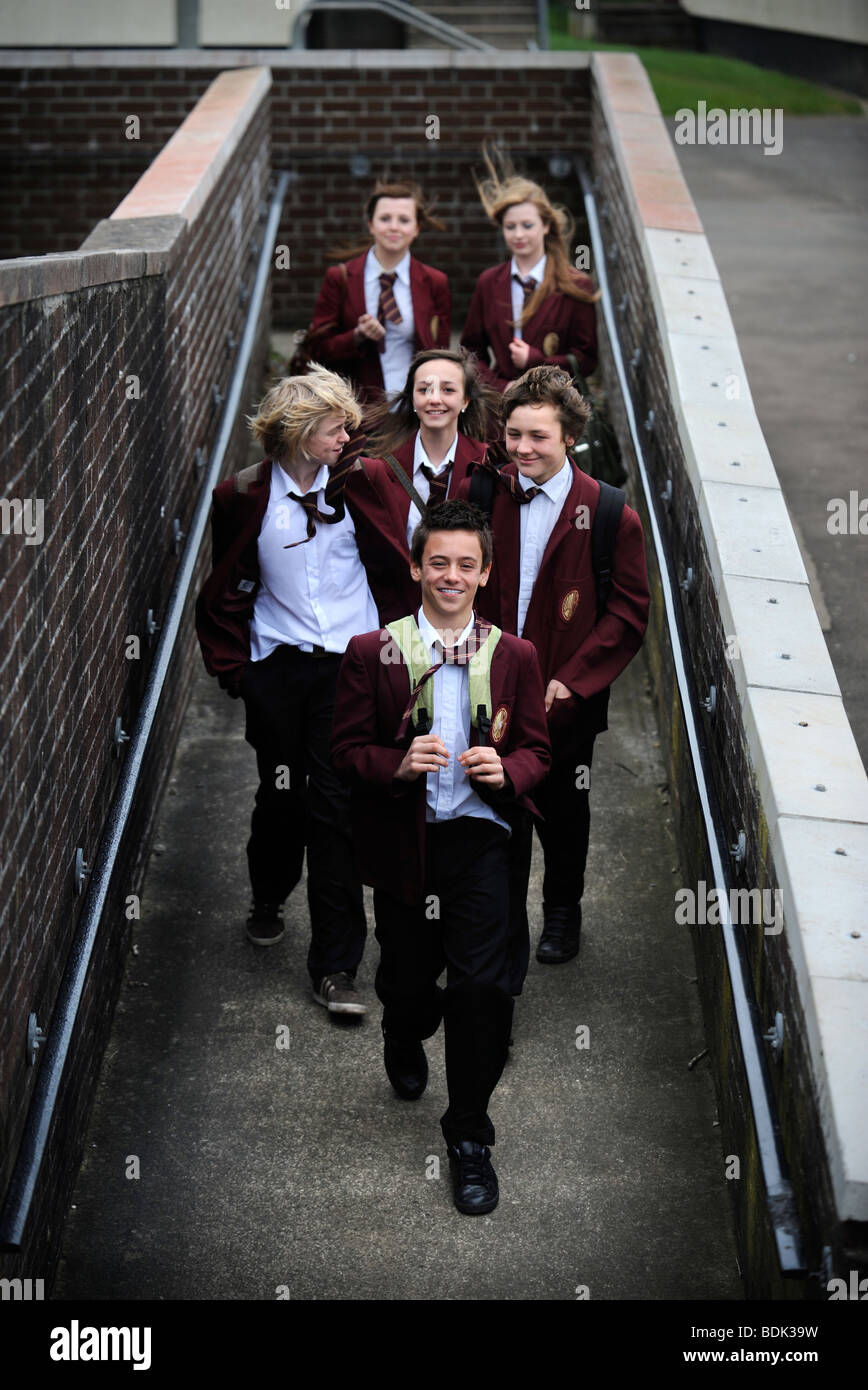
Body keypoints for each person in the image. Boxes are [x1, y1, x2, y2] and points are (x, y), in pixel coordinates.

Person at [331, 500, 551, 1214]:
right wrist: (395, 765)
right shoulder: (374, 651)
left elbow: (540, 751)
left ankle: (469, 1138)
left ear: (485, 573)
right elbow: (344, 751)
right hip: (408, 846)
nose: (450, 576)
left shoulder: (514, 655)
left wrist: (507, 771)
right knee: (410, 980)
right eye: (438, 563)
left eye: (465, 564)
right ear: (418, 568)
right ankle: (402, 1025)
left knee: (482, 991)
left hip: (482, 843)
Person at [195, 366, 379, 1017]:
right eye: (334, 426)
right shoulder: (241, 495)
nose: (346, 434)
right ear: (300, 433)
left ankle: (335, 969)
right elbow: (227, 585)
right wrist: (235, 671)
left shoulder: (364, 486)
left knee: (334, 807)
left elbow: (398, 561)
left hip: (349, 672)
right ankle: (268, 892)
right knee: (281, 797)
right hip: (276, 669)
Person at [456, 365, 649, 977]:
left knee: (565, 810)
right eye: (514, 435)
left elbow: (626, 611)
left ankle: (562, 908)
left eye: (539, 437)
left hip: (566, 698)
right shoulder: (485, 495)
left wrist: (576, 679)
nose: (523, 449)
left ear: (569, 438)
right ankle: (498, 922)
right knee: (493, 807)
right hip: (489, 685)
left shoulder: (611, 513)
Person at [345, 347, 501, 622]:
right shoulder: (379, 469)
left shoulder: (489, 468)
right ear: (412, 398)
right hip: (398, 621)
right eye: (424, 389)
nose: (435, 399)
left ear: (465, 399)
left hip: (468, 622)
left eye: (448, 390)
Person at [461, 147, 598, 394]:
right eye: (510, 227)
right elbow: (471, 352)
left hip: (556, 405)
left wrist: (537, 361)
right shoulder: (489, 281)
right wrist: (500, 386)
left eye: (527, 225)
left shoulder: (576, 285)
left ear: (546, 226)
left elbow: (587, 360)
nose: (518, 235)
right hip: (500, 407)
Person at [307, 180, 451, 405]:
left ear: (416, 229)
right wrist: (357, 335)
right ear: (371, 225)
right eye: (385, 219)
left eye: (404, 220)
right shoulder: (340, 278)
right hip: (358, 406)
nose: (394, 227)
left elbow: (441, 353)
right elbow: (318, 349)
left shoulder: (435, 282)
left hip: (414, 405)